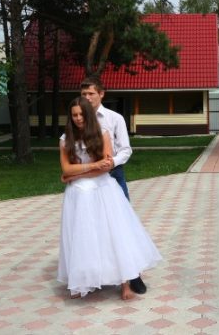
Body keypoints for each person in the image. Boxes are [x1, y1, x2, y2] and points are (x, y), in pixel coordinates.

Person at [57, 97, 161, 300]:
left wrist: (77, 173)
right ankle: (82, 280)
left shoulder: (102, 134)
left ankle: (125, 283)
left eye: (81, 114)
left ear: (88, 114)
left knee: (114, 233)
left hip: (103, 189)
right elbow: (66, 168)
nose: (78, 118)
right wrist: (90, 166)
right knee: (82, 237)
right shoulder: (65, 139)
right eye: (74, 115)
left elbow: (105, 167)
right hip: (78, 193)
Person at [79, 77, 148, 295]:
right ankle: (97, 272)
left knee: (122, 223)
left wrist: (112, 163)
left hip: (113, 174)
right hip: (87, 178)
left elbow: (126, 149)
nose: (87, 98)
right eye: (84, 94)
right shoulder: (78, 118)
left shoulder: (114, 118)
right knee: (92, 225)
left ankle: (133, 274)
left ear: (101, 94)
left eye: (91, 93)